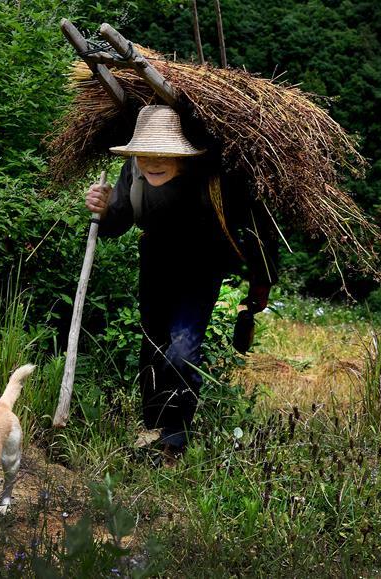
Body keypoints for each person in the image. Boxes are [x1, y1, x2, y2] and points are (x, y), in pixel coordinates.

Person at [85, 105, 278, 456]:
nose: (152, 162)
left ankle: (176, 437)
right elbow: (117, 224)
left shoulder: (215, 180)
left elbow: (255, 230)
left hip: (201, 266)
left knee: (181, 350)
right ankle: (153, 427)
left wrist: (259, 286)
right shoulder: (134, 171)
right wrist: (103, 209)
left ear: (185, 156)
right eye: (145, 154)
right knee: (153, 347)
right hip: (155, 263)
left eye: (164, 154)